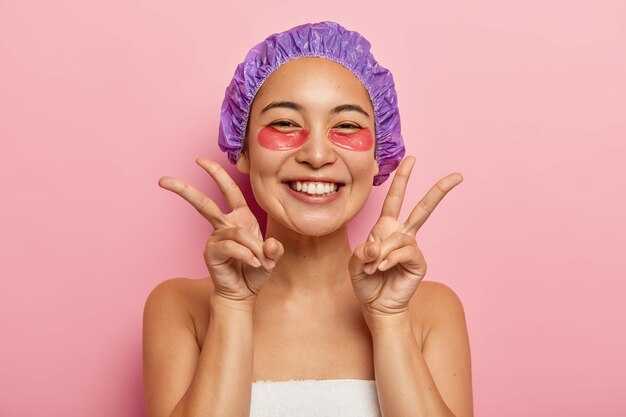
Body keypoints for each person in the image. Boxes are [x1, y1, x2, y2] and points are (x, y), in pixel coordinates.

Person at [143, 21, 473, 417]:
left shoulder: (430, 310)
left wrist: (390, 322)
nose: (317, 155)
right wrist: (232, 305)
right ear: (243, 150)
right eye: (285, 123)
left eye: (347, 126)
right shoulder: (183, 307)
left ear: (378, 155)